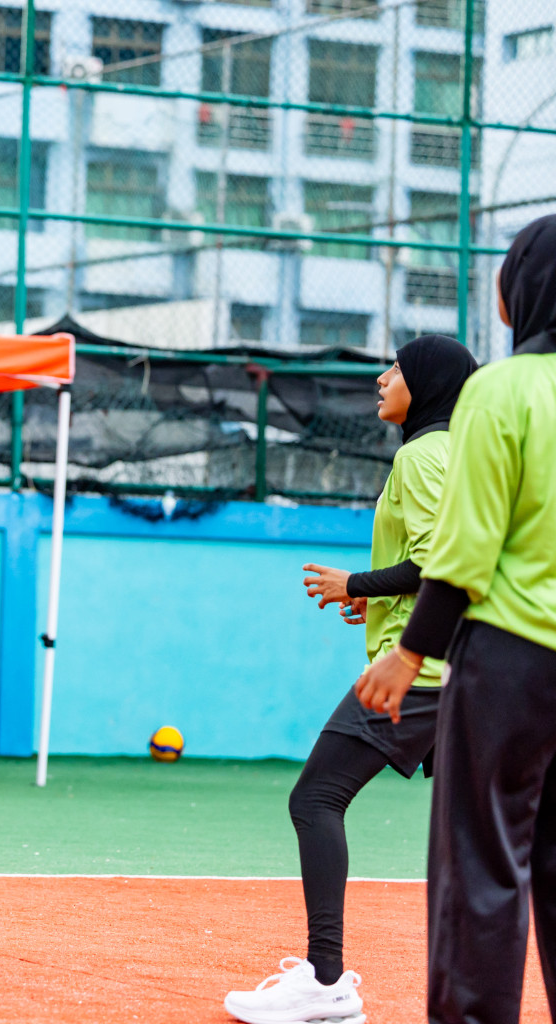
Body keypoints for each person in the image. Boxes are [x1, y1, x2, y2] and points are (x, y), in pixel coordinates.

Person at [223, 335, 478, 1024]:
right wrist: (379, 596)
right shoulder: (460, 452)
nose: (381, 375)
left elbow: (437, 563)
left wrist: (355, 582)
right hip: (467, 668)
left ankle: (326, 982)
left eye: (396, 367)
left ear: (424, 383)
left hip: (421, 671)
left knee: (316, 799)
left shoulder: (423, 455)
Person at [354, 215, 556, 1024]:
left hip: (511, 661)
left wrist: (410, 652)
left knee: (483, 865)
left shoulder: (500, 390)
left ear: (514, 297)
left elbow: (465, 552)